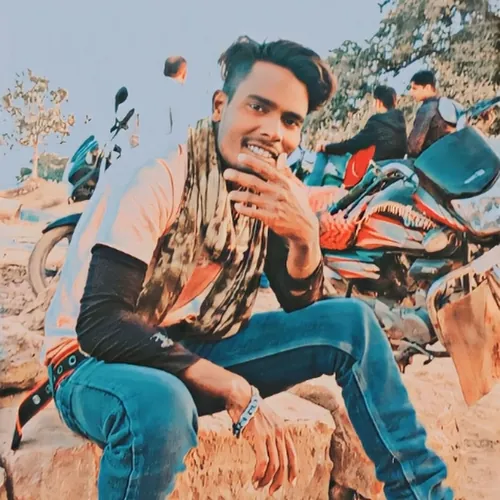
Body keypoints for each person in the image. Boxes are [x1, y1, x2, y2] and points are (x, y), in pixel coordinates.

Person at [25, 36, 452, 500]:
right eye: (258, 107)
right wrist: (233, 387)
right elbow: (101, 323)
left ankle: (421, 494)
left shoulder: (267, 184)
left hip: (179, 341)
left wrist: (304, 238)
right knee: (161, 405)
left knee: (353, 324)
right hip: (89, 361)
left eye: (290, 121)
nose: (273, 131)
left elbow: (302, 306)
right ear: (219, 106)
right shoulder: (161, 173)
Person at [317, 85, 408, 160]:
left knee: (323, 152)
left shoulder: (377, 122)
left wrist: (327, 147)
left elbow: (353, 145)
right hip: (393, 167)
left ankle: (313, 177)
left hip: (376, 169)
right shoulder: (400, 122)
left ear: (378, 102)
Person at [407, 70, 456, 157]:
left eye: (415, 88)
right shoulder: (447, 104)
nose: (411, 92)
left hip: (433, 159)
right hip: (451, 155)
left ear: (428, 88)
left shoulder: (427, 108)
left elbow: (414, 145)